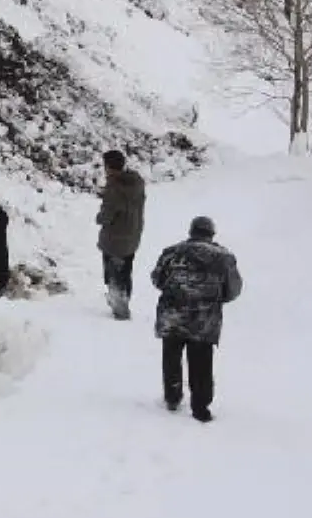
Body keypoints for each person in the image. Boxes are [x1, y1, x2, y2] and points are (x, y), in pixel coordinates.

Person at [150, 216, 243, 423]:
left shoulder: (172, 252)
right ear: (211, 234)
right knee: (202, 361)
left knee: (171, 356)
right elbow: (233, 289)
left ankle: (172, 397)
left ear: (191, 231)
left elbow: (157, 279)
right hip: (204, 319)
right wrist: (214, 299)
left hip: (173, 314)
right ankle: (201, 407)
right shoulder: (224, 257)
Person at [96, 149, 146, 320]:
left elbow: (106, 216)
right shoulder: (136, 183)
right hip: (132, 236)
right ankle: (124, 299)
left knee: (113, 274)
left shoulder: (115, 189)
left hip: (114, 239)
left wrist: (99, 217)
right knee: (125, 271)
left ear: (109, 167)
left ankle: (120, 309)